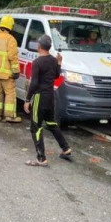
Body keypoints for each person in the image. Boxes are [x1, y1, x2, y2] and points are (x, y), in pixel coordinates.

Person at [24, 34, 71, 166]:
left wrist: (28, 100)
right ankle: (66, 148)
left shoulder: (37, 62)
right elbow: (56, 75)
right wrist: (59, 63)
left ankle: (41, 158)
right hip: (50, 96)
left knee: (36, 127)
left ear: (39, 46)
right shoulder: (52, 60)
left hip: (39, 97)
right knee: (51, 123)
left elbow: (34, 83)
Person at [0, 15, 21, 122]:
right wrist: (16, 71)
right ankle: (9, 116)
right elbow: (13, 57)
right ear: (10, 26)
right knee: (9, 94)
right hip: (6, 73)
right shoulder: (10, 39)